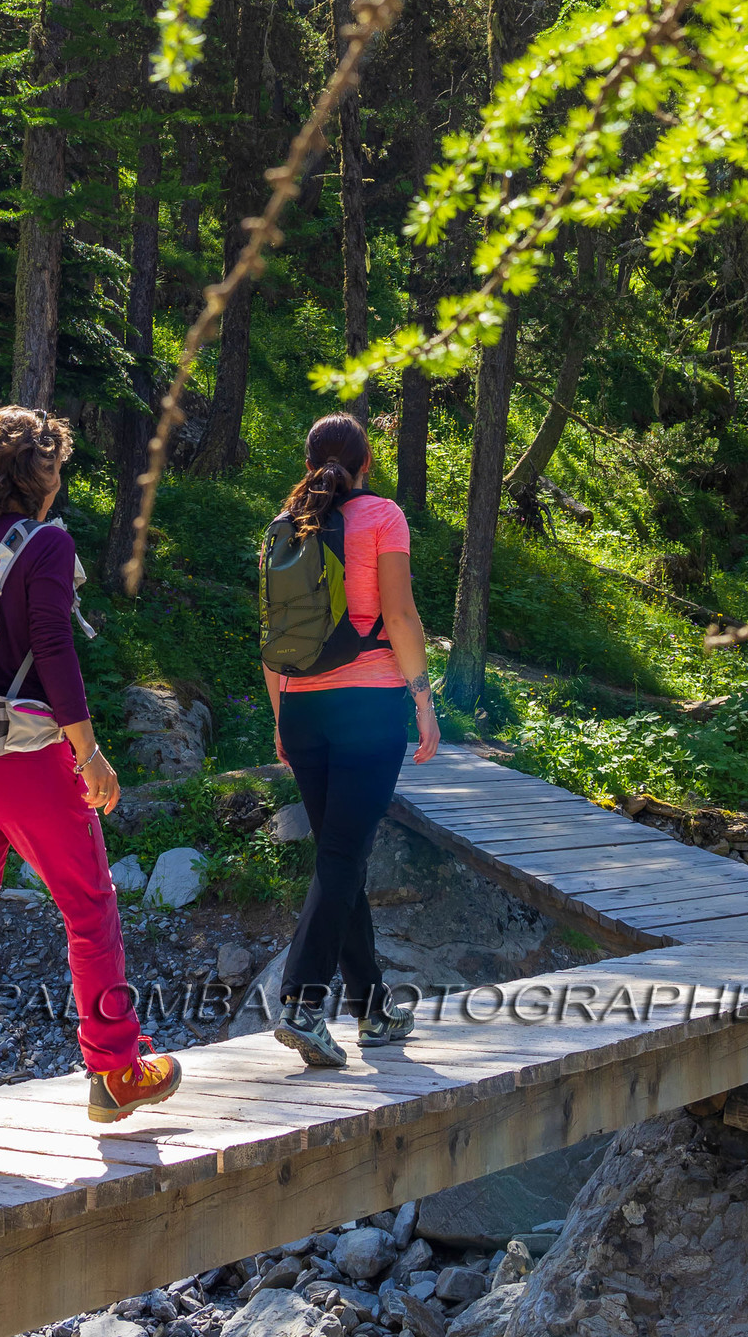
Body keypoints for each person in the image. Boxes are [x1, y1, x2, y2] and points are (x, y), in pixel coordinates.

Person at [0, 405, 181, 1165]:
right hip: (19, 758)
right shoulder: (45, 542)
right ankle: (116, 1068)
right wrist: (89, 753)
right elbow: (53, 647)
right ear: (39, 474)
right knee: (89, 904)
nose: (59, 480)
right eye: (54, 465)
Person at [263, 412, 441, 1069]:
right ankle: (302, 1004)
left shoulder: (285, 526)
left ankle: (372, 1011)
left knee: (343, 856)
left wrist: (281, 719)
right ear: (366, 463)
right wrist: (423, 699)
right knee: (341, 857)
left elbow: (273, 641)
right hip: (367, 709)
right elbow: (398, 613)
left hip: (304, 712)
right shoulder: (383, 516)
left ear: (311, 463)